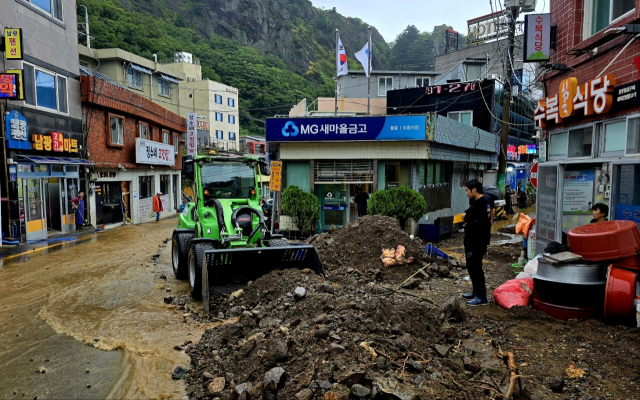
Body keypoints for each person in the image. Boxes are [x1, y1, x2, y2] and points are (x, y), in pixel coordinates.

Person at [461, 179, 492, 306]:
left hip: (476, 241)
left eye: (467, 190)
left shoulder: (481, 203)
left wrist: (465, 215)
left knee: (475, 267)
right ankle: (475, 291)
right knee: (471, 266)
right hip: (476, 240)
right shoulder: (482, 202)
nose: (466, 193)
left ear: (474, 190)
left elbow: (467, 216)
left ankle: (481, 296)